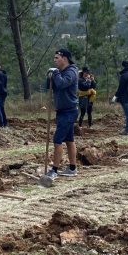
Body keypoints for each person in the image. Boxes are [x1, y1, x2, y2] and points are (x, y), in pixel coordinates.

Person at [45, 48, 79, 180]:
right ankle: (72, 168)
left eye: (56, 58)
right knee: (69, 139)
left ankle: (54, 170)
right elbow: (50, 86)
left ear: (65, 58)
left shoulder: (71, 71)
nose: (54, 61)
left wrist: (56, 73)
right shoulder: (61, 72)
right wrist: (50, 76)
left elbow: (62, 84)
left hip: (69, 111)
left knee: (57, 139)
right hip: (62, 111)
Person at [112, 60, 128, 135]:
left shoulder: (124, 76)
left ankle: (127, 130)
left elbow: (121, 88)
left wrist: (115, 96)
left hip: (125, 97)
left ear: (123, 67)